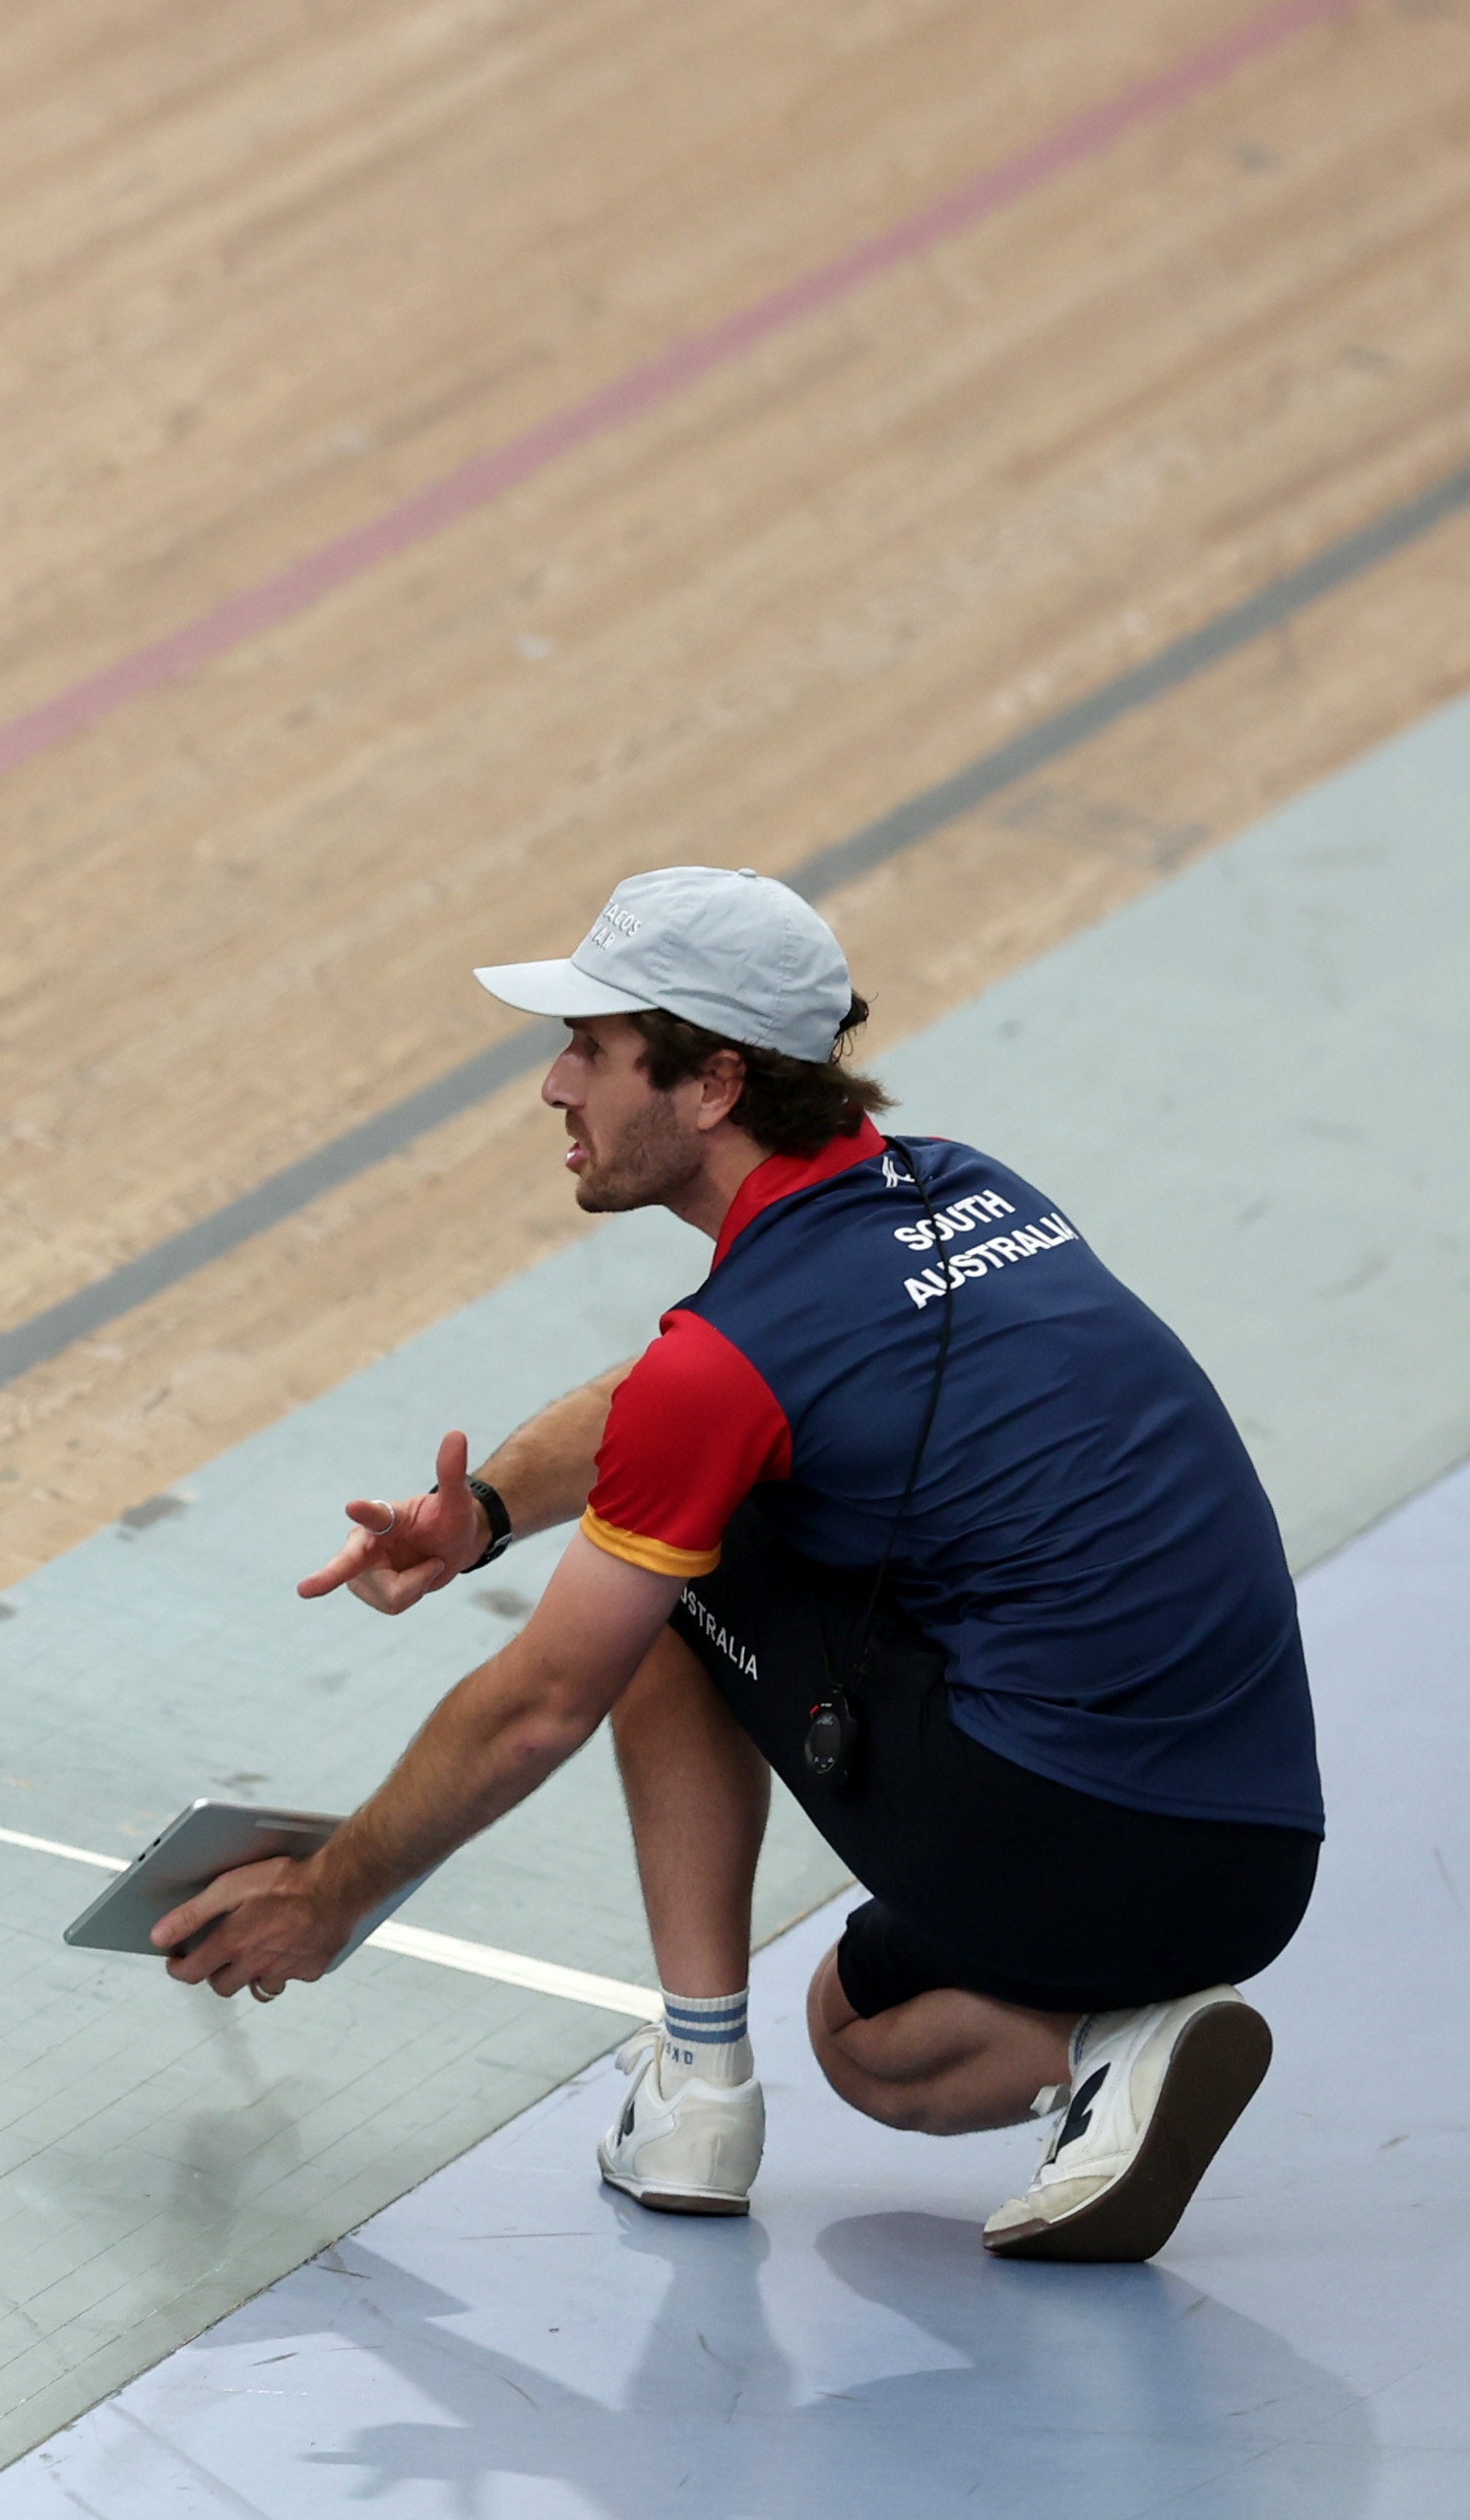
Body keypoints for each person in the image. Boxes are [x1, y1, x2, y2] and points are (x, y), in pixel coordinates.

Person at [156, 867, 1322, 2264]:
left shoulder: (732, 1364)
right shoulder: (964, 1188)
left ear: (710, 1082)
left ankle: (697, 2088)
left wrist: (325, 1897)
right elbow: (689, 1384)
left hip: (1052, 1834)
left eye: (591, 1049)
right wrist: (480, 1512)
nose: (553, 1087)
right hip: (1253, 1856)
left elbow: (541, 1699)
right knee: (860, 2041)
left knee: (663, 1577)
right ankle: (1114, 2037)